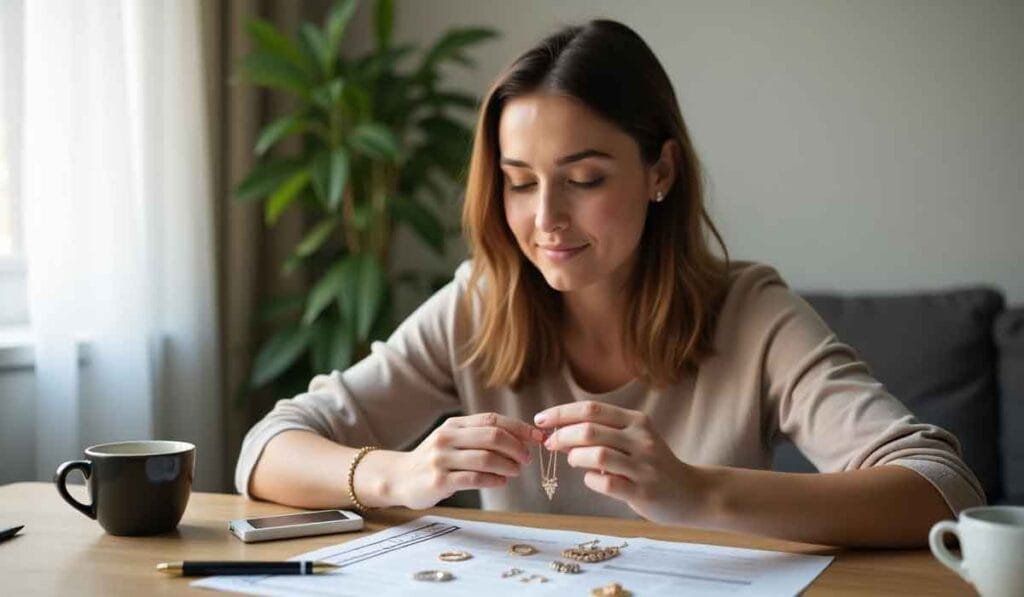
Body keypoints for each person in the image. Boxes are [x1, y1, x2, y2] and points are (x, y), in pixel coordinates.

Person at [236, 19, 983, 547]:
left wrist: (695, 491)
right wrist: (403, 473)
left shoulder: (752, 315)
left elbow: (942, 485)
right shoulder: (478, 305)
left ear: (660, 171)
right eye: (519, 183)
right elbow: (266, 451)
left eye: (584, 178)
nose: (546, 218)